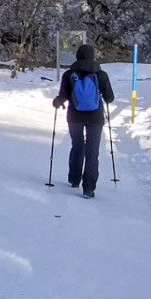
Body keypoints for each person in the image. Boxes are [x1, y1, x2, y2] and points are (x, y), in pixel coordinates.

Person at [52, 43, 115, 197]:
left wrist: (57, 102)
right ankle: (89, 188)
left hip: (74, 116)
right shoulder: (101, 75)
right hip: (95, 117)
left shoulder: (69, 74)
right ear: (92, 56)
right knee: (92, 152)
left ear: (77, 56)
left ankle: (74, 179)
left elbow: (63, 95)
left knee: (77, 145)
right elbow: (110, 98)